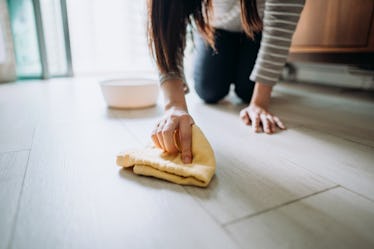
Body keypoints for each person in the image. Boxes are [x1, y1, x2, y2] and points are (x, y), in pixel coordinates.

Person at [147, 0, 305, 163]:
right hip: (215, 27)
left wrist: (259, 103)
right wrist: (174, 105)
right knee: (208, 90)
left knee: (247, 91)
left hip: (258, 26)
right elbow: (166, 24)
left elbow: (281, 21)